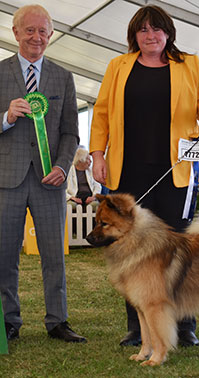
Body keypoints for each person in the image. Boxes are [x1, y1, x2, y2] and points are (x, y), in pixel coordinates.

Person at [89, 5, 199, 347]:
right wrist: (98, 155)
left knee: (179, 246)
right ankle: (138, 328)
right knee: (129, 247)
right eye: (142, 31)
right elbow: (102, 113)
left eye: (157, 30)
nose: (150, 36)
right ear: (134, 36)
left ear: (168, 33)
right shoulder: (118, 66)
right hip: (129, 169)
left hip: (177, 170)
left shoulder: (190, 64)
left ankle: (184, 326)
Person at [0, 5, 86, 343]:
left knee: (54, 255)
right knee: (5, 254)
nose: (37, 37)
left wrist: (63, 166)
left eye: (44, 31)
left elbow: (70, 132)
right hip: (7, 179)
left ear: (51, 35)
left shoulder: (63, 77)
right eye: (30, 30)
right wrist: (6, 117)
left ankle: (57, 321)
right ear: (16, 31)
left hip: (51, 180)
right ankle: (9, 321)